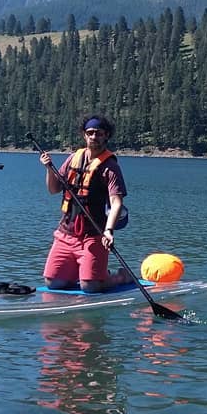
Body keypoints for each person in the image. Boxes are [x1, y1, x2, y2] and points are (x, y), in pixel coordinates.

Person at [39, 113, 133, 293]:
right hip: (66, 233)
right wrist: (49, 169)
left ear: (106, 135)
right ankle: (88, 270)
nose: (94, 137)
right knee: (53, 282)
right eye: (90, 133)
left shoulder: (110, 167)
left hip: (94, 235)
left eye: (98, 133)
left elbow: (116, 203)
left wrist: (109, 230)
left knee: (90, 287)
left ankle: (120, 276)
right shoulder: (74, 158)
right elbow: (53, 189)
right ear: (84, 135)